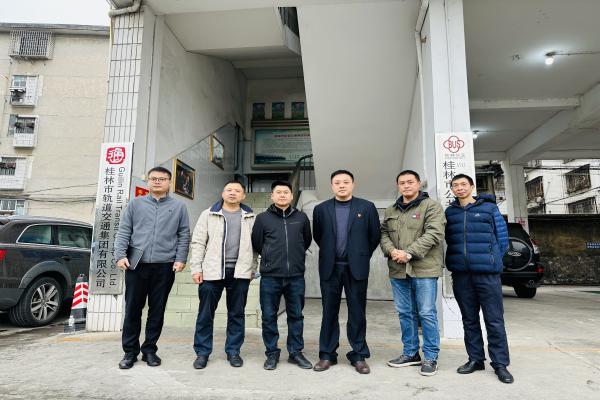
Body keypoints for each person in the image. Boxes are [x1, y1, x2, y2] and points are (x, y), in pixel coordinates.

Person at [114, 166, 190, 369]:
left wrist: (180, 258)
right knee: (133, 309)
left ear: (169, 182)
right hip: (136, 265)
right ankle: (130, 352)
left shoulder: (179, 206)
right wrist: (120, 255)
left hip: (164, 266)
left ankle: (149, 350)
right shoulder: (135, 204)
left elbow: (184, 234)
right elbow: (124, 231)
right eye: (153, 178)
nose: (157, 181)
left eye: (162, 179)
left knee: (157, 310)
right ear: (147, 181)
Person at [444, 174, 513, 384]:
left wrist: (492, 260)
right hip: (462, 274)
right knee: (469, 319)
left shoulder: (489, 208)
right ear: (452, 189)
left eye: (463, 184)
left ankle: (500, 364)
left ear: (472, 186)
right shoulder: (450, 212)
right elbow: (449, 239)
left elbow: (503, 239)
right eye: (455, 185)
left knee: (494, 320)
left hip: (487, 274)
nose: (460, 188)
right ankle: (475, 359)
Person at [312, 170, 381, 374]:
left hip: (356, 268)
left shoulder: (366, 207)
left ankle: (358, 355)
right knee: (328, 311)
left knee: (357, 312)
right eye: (337, 182)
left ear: (353, 184)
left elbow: (374, 236)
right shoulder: (321, 209)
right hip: (330, 267)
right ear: (332, 186)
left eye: (345, 182)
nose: (341, 185)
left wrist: (360, 255)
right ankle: (327, 355)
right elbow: (318, 236)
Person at [380, 170, 446, 376]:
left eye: (410, 182)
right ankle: (410, 353)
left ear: (418, 184)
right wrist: (391, 251)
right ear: (398, 186)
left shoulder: (431, 206)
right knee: (405, 312)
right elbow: (383, 233)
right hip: (398, 269)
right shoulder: (391, 209)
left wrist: (409, 253)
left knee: (426, 313)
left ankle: (431, 356)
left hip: (424, 268)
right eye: (402, 183)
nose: (406, 186)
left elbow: (434, 233)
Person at [189, 180, 257, 369]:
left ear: (243, 195)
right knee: (205, 314)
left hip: (240, 272)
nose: (232, 193)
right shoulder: (208, 214)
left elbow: (256, 247)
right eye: (229, 190)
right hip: (211, 272)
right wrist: (196, 268)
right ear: (223, 193)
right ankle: (202, 353)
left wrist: (252, 268)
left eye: (237, 190)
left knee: (237, 314)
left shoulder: (251, 217)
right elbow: (198, 242)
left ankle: (233, 351)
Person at [251, 180, 313, 370]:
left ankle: (295, 352)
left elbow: (306, 241)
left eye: (286, 192)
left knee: (296, 315)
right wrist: (270, 258)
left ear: (292, 196)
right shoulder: (262, 218)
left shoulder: (301, 218)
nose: (282, 195)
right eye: (278, 192)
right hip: (270, 276)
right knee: (269, 316)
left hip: (295, 276)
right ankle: (272, 353)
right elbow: (257, 242)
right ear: (272, 196)